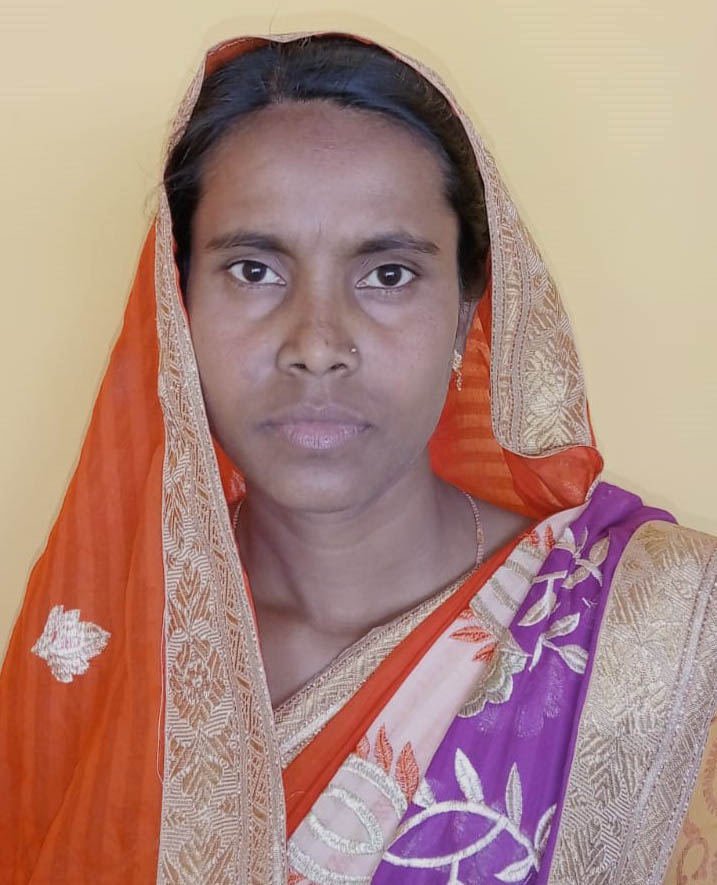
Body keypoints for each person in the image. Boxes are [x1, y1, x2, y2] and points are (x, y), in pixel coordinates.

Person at [0, 30, 715, 884]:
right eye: (253, 270)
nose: (316, 345)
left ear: (467, 312)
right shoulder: (105, 647)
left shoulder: (665, 635)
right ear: (176, 301)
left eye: (387, 274)